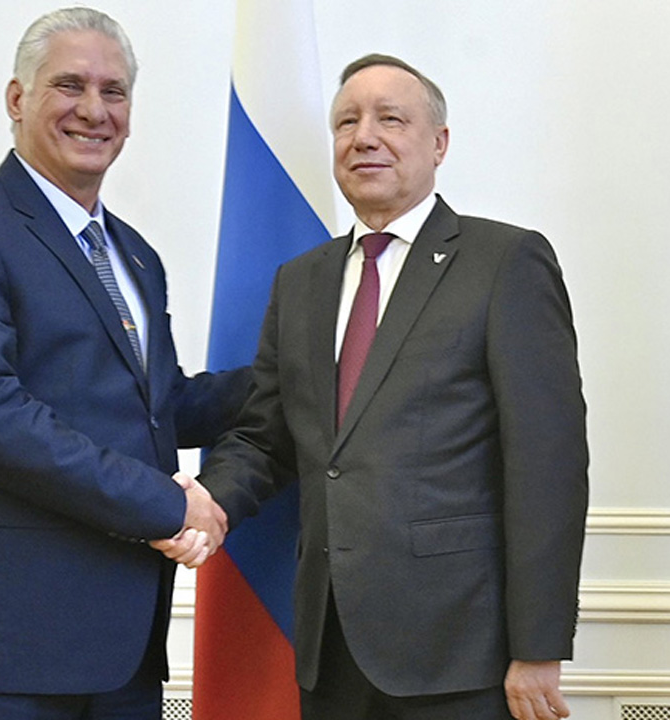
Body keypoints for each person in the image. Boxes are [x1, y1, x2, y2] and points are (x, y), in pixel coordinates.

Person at [159, 54, 588, 720]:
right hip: (329, 649)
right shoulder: (301, 281)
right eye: (347, 122)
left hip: (462, 652)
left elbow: (547, 465)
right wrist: (210, 503)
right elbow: (268, 437)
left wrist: (538, 646)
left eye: (391, 119)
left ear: (439, 142)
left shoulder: (504, 262)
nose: (364, 137)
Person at [0, 7, 249, 719]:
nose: (94, 110)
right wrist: (167, 505)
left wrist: (311, 367)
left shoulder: (135, 255)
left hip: (121, 650)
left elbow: (159, 408)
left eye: (114, 92)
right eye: (70, 85)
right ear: (18, 98)